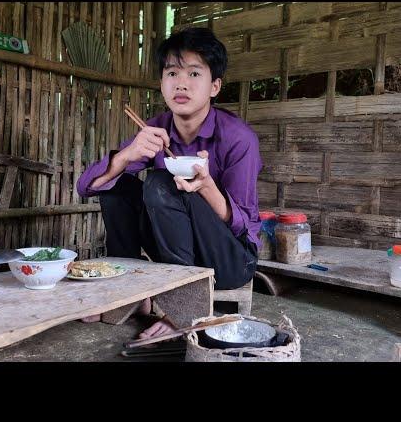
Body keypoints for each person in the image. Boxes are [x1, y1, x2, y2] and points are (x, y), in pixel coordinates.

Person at [76, 27, 263, 339]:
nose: (181, 83)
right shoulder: (155, 129)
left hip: (231, 260)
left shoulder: (239, 138)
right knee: (117, 185)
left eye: (194, 74)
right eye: (172, 73)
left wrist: (205, 187)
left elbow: (242, 227)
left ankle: (184, 307)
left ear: (214, 86)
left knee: (161, 182)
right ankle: (133, 295)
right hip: (177, 252)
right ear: (162, 83)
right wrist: (126, 155)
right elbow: (87, 187)